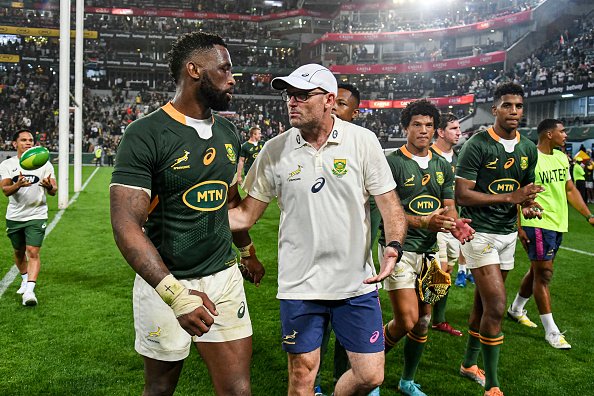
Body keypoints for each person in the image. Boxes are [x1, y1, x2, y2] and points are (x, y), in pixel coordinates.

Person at [228, 64, 407, 395]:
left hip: (356, 283)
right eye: (288, 95)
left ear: (329, 99)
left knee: (370, 376)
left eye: (301, 95)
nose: (291, 102)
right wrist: (188, 217)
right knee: (301, 377)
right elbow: (243, 217)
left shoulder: (363, 141)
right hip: (300, 285)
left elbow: (391, 207)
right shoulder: (274, 150)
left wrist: (393, 247)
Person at [110, 32, 264, 396]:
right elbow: (125, 225)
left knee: (238, 390)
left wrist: (247, 251)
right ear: (194, 70)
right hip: (166, 281)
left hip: (223, 276)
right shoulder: (145, 133)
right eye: (224, 68)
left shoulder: (228, 131)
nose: (232, 77)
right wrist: (176, 296)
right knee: (160, 388)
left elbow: (227, 200)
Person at [379, 100, 474, 396]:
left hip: (431, 252)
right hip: (399, 250)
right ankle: (369, 373)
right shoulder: (392, 163)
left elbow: (448, 207)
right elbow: (386, 210)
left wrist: (457, 224)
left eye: (429, 125)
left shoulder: (443, 165)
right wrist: (423, 222)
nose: (423, 130)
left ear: (436, 129)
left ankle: (407, 380)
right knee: (405, 319)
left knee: (422, 321)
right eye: (417, 124)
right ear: (405, 128)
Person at [455, 82, 544, 396]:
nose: (514, 112)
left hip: (507, 235)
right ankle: (492, 384)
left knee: (483, 303)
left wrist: (530, 206)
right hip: (479, 234)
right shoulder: (477, 144)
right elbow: (462, 195)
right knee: (497, 306)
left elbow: (526, 193)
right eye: (507, 105)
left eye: (519, 106)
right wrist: (511, 198)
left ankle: (468, 364)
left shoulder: (528, 148)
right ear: (494, 109)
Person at [311, 83, 380, 396]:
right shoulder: (306, 144)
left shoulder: (364, 146)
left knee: (349, 335)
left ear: (355, 111)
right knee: (315, 332)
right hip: (312, 265)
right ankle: (313, 386)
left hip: (353, 265)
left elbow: (379, 207)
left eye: (341, 103)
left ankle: (346, 381)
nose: (333, 107)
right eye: (331, 101)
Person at [508, 119, 594, 349]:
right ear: (548, 134)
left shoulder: (561, 158)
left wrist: (589, 216)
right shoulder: (530, 160)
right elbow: (517, 194)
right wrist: (520, 226)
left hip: (557, 223)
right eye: (562, 131)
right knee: (544, 274)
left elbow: (569, 189)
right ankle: (552, 331)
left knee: (538, 270)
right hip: (536, 222)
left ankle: (516, 309)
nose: (565, 135)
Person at [0, 129, 56, 306]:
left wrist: (49, 187)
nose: (28, 143)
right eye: (23, 140)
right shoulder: (8, 165)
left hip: (37, 214)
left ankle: (30, 292)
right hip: (15, 215)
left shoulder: (45, 164)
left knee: (33, 252)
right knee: (18, 251)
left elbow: (54, 191)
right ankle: (25, 279)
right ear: (15, 144)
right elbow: (5, 190)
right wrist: (17, 185)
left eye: (31, 140)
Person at [428, 112, 466, 338]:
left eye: (458, 128)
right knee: (440, 270)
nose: (458, 132)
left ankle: (438, 319)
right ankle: (422, 314)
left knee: (448, 270)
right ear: (440, 132)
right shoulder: (428, 155)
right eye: (453, 128)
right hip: (435, 221)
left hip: (454, 222)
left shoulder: (459, 158)